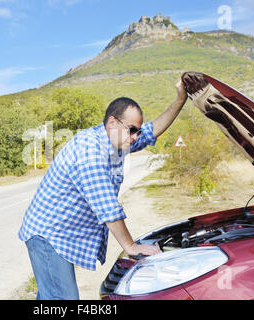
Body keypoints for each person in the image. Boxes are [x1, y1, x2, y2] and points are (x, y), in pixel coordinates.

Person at [18, 80, 188, 300]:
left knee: (50, 297)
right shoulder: (90, 151)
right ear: (112, 123)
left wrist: (180, 99)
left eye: (137, 130)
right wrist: (131, 246)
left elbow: (152, 130)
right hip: (49, 235)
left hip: (61, 234)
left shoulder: (117, 140)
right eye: (132, 130)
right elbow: (107, 207)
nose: (136, 136)